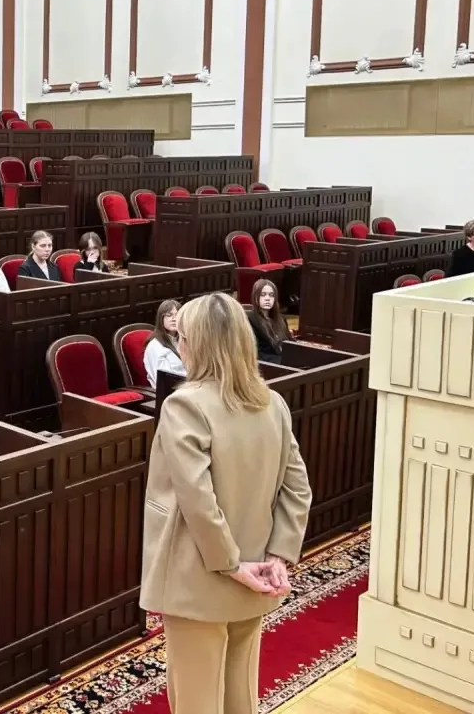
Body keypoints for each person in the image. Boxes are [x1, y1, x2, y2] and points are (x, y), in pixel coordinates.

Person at [141, 292, 311, 714]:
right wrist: (277, 556)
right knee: (239, 695)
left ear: (196, 344)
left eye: (183, 338)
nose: (180, 346)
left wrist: (232, 566)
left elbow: (198, 500)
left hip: (200, 575)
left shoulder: (185, 404)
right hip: (259, 568)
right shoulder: (271, 402)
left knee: (196, 700)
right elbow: (297, 488)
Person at [248, 279, 292, 365]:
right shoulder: (250, 320)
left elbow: (289, 344)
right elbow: (256, 353)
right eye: (263, 295)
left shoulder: (281, 319)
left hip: (284, 361)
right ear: (255, 297)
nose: (267, 299)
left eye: (271, 295)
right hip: (266, 364)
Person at [145, 299, 187, 382]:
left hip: (190, 384)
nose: (174, 319)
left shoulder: (184, 341)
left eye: (177, 315)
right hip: (172, 388)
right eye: (169, 315)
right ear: (161, 319)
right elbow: (162, 380)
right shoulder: (154, 346)